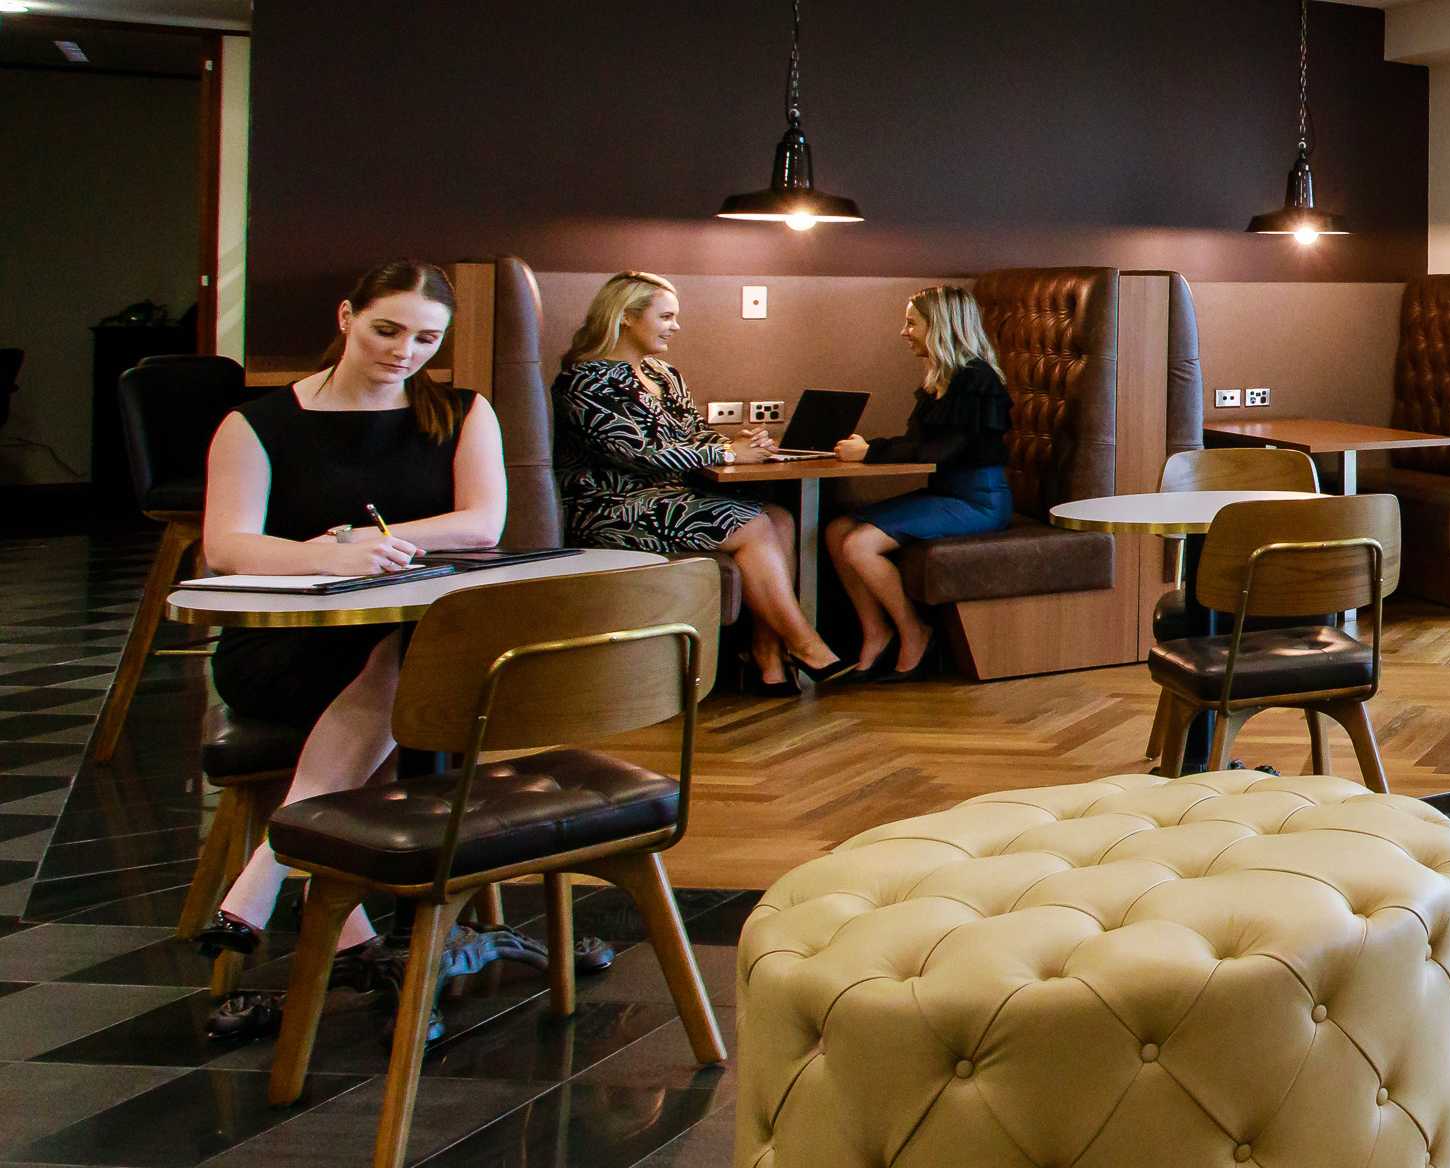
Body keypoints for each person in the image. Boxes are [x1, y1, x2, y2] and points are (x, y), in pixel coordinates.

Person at [189, 260, 579, 1041]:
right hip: (283, 650)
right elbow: (227, 545)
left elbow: (482, 524)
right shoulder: (256, 424)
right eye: (387, 330)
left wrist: (375, 541)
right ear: (346, 317)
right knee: (418, 666)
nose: (405, 351)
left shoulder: (462, 413)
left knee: (417, 649)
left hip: (404, 649)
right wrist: (330, 555)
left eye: (426, 339)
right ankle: (331, 907)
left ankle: (286, 879)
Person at [553, 271, 849, 695]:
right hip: (612, 506)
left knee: (780, 518)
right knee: (752, 524)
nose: (675, 326)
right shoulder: (585, 382)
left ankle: (767, 655)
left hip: (672, 499)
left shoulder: (663, 374)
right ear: (626, 317)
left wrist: (735, 443)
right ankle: (805, 645)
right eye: (666, 317)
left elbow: (694, 433)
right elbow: (641, 454)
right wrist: (727, 455)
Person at [822, 285, 1011, 680]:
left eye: (912, 323)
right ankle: (876, 633)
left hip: (978, 502)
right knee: (837, 530)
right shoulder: (940, 380)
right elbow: (918, 444)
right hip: (945, 495)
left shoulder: (978, 380)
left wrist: (869, 451)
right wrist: (868, 449)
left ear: (939, 326)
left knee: (859, 544)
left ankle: (914, 631)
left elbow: (943, 450)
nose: (904, 332)